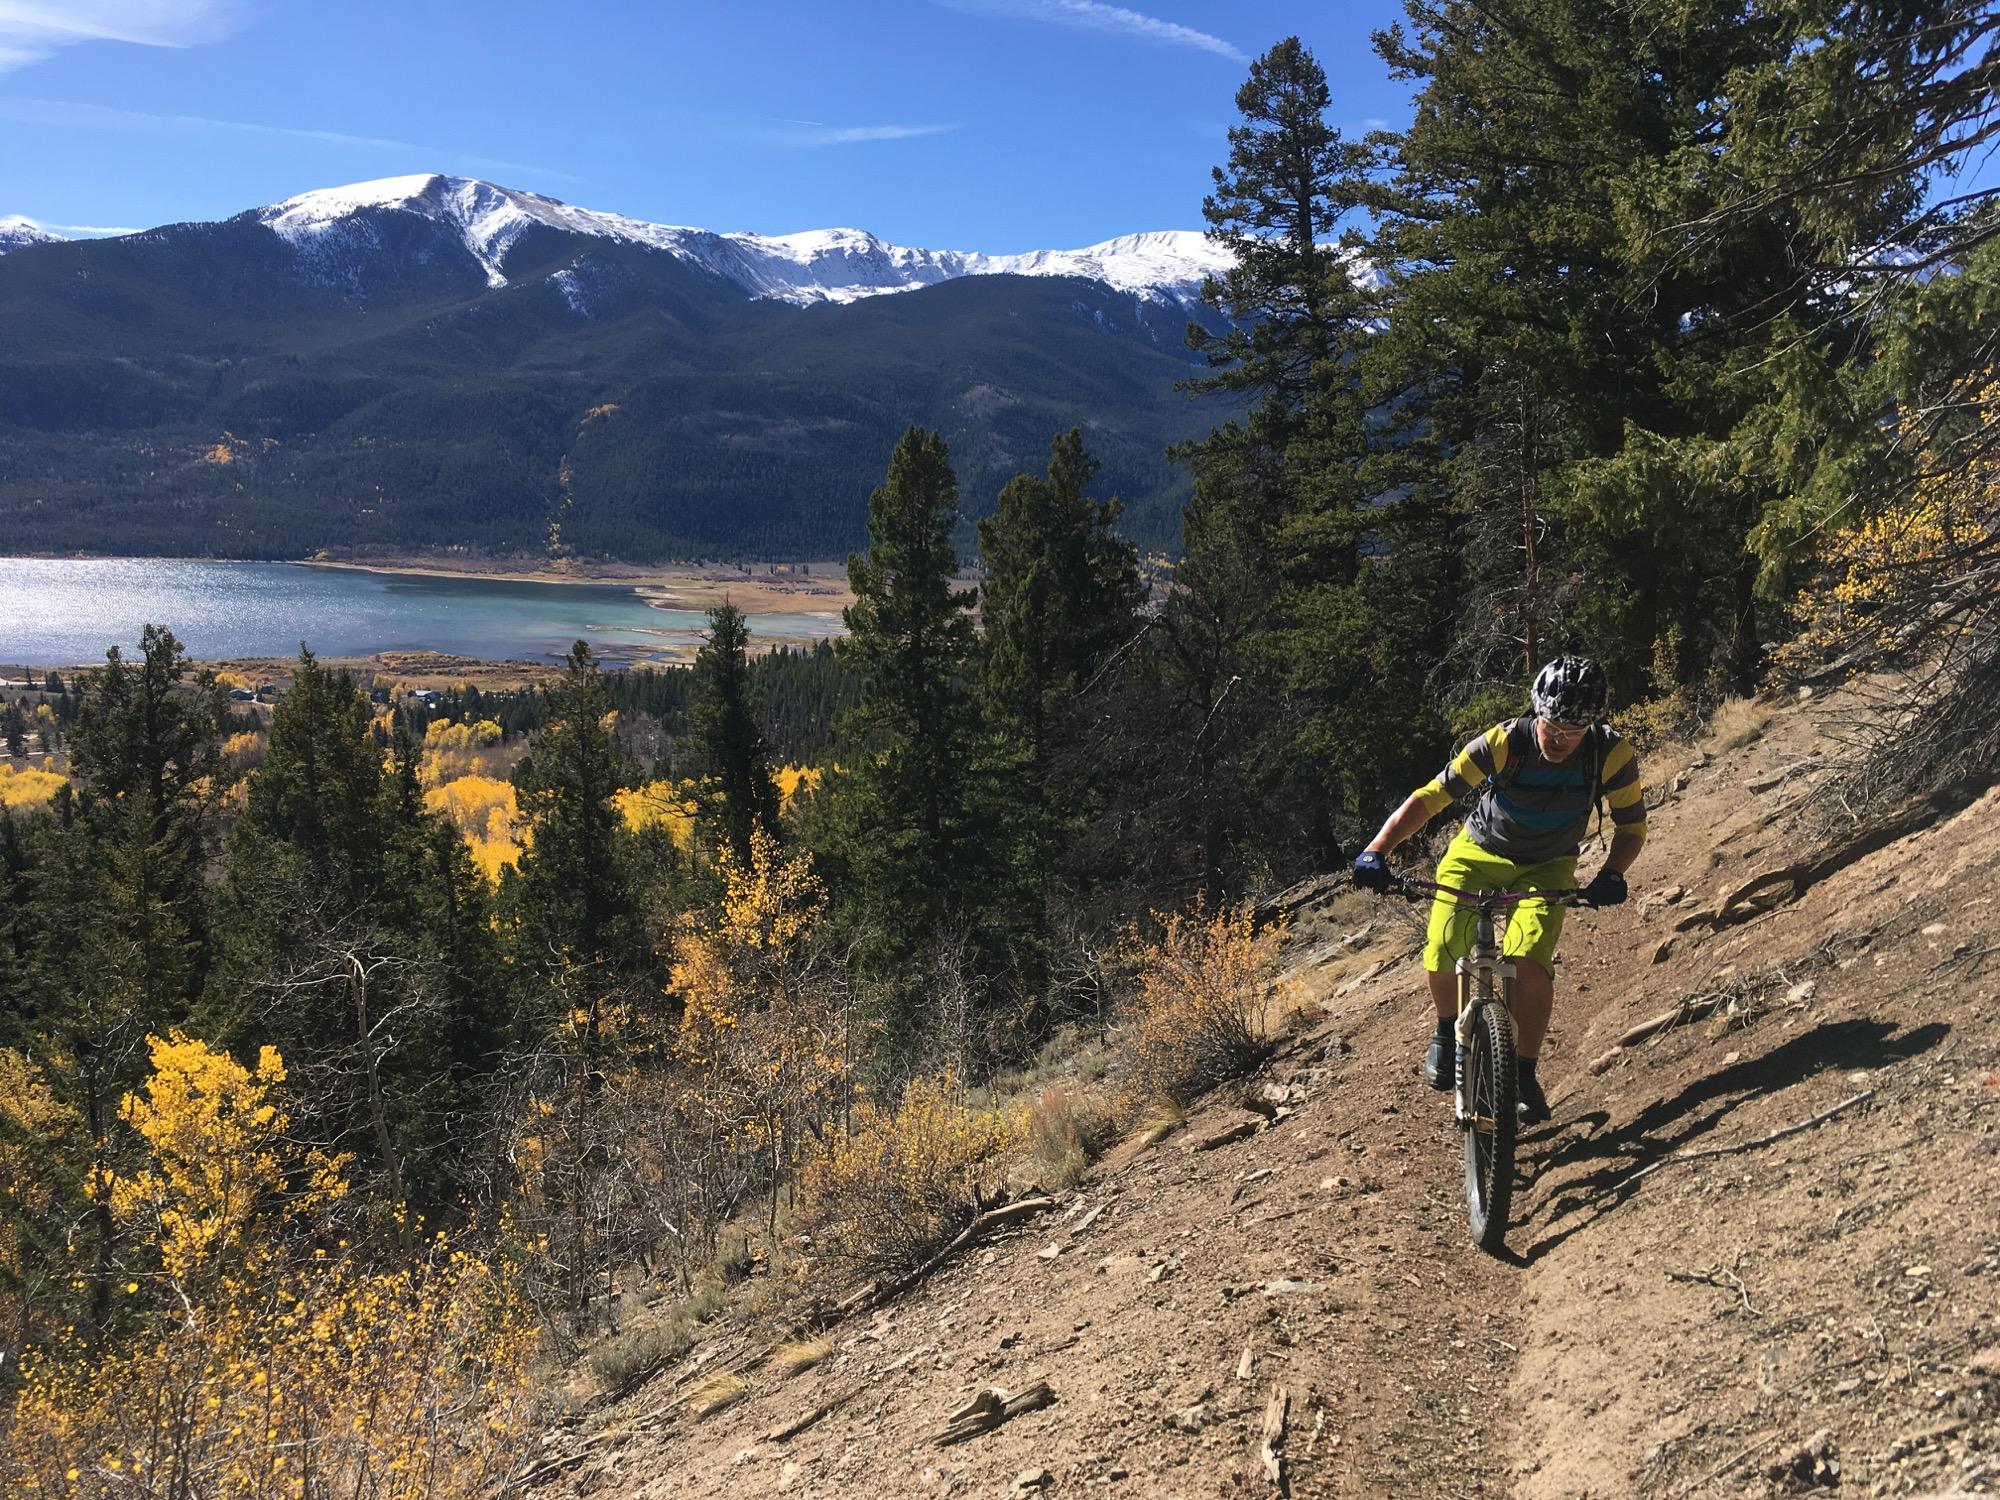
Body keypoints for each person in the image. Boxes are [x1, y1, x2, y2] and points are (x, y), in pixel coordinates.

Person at [1350, 656, 1647, 1123]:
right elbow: (1433, 796)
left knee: (1529, 960)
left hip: (1548, 865)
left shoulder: (1610, 754)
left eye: (1575, 729)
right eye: (1552, 725)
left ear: (1593, 723)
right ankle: (1447, 1031)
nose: (1560, 739)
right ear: (1536, 712)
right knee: (1446, 940)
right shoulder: (1505, 741)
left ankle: (1524, 1073)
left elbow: (1632, 825)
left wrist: (1613, 871)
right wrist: (1377, 849)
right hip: (1479, 851)